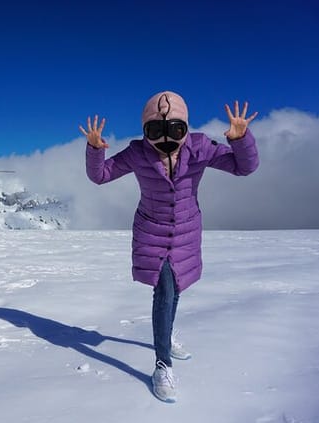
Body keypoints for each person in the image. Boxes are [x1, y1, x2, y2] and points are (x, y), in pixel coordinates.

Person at [80, 91, 259, 403]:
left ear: (185, 128)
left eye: (175, 129)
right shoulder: (137, 153)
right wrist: (95, 150)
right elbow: (101, 175)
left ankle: (166, 334)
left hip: (186, 231)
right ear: (145, 130)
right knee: (163, 291)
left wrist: (241, 138)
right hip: (151, 229)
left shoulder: (201, 147)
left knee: (175, 287)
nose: (165, 138)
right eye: (155, 130)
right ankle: (162, 364)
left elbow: (243, 167)